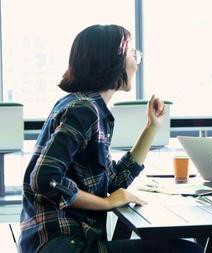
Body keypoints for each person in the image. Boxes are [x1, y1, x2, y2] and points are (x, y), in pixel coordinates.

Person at [18, 25, 202, 253]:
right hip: (64, 244)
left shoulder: (86, 105)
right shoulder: (85, 110)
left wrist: (151, 127)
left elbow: (113, 182)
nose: (137, 61)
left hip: (59, 242)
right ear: (113, 60)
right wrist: (106, 203)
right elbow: (44, 178)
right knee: (187, 251)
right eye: (133, 54)